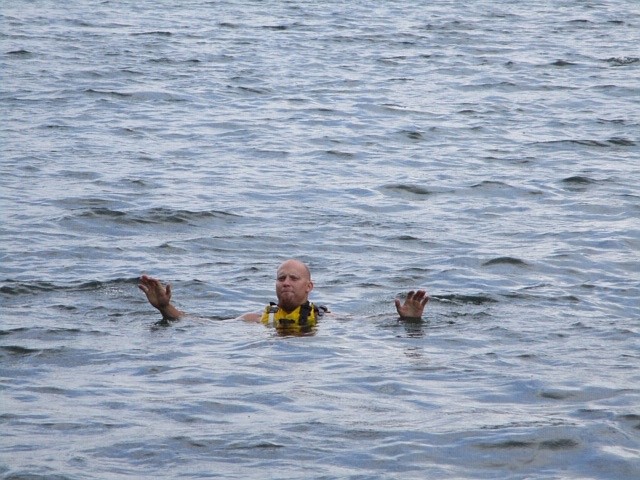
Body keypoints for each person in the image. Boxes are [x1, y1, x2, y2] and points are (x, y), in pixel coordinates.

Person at [138, 259, 429, 329]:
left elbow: (368, 324)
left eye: (293, 278)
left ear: (309, 287)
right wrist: (165, 308)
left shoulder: (326, 319)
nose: (286, 282)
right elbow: (202, 323)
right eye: (281, 278)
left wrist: (408, 321)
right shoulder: (257, 319)